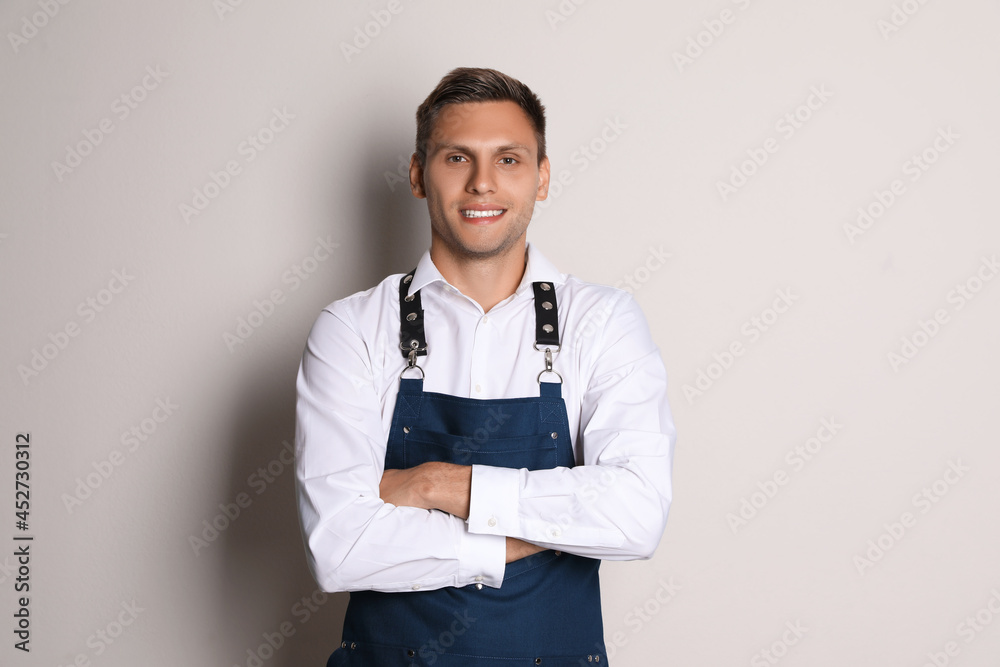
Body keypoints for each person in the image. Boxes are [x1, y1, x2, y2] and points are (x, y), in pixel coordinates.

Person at [294, 66, 675, 666]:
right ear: (418, 175)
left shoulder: (601, 321)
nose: (482, 183)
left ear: (541, 177)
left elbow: (636, 515)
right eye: (456, 158)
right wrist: (542, 530)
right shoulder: (352, 330)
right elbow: (339, 548)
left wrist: (434, 484)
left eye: (508, 160)